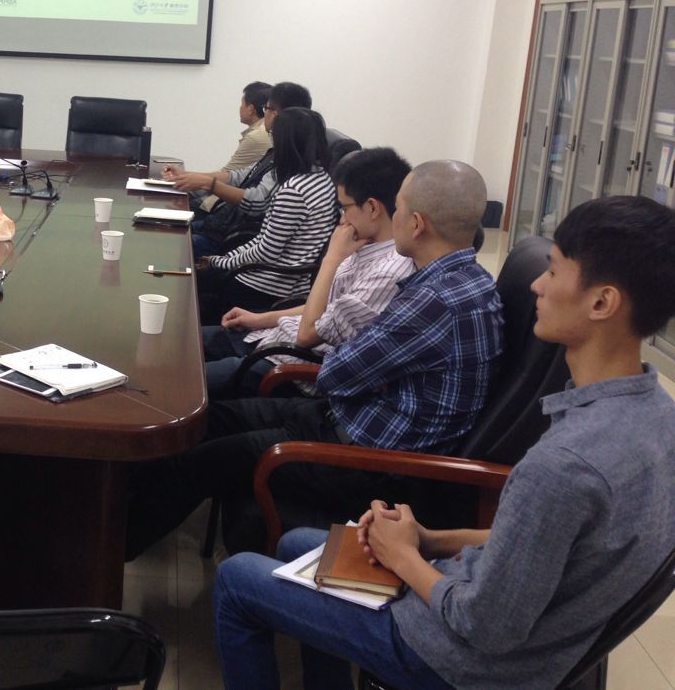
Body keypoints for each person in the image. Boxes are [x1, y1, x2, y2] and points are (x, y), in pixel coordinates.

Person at [213, 195, 675, 690]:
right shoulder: (657, 417)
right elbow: (539, 547)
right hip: (488, 603)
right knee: (298, 544)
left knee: (237, 579)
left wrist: (404, 558)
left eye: (554, 271)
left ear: (602, 302)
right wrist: (428, 539)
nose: (537, 285)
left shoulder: (564, 465)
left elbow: (485, 627)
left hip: (458, 658)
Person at [126, 160, 503, 560]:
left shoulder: (433, 300)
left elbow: (335, 374)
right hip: (344, 419)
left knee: (199, 462)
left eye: (400, 206)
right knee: (207, 419)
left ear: (416, 223)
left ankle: (107, 553)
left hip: (366, 458)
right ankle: (112, 524)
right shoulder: (468, 282)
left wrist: (361, 368)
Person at [204, 147, 414, 397]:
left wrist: (331, 259)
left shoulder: (387, 273)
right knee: (187, 343)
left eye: (344, 208)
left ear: (372, 208)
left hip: (285, 365)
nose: (342, 219)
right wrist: (259, 318)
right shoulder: (362, 244)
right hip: (269, 338)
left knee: (185, 380)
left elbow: (307, 335)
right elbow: (328, 306)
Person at [195, 107, 339, 324]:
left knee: (192, 281)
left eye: (274, 136)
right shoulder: (322, 179)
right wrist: (223, 260)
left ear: (285, 142)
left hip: (269, 283)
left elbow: (267, 251)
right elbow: (265, 241)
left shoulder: (294, 190)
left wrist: (219, 262)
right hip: (287, 278)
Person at [164, 82, 312, 259]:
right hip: (222, 225)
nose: (264, 113)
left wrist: (209, 184)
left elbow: (257, 202)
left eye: (266, 108)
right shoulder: (278, 149)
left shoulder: (291, 159)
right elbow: (238, 175)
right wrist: (190, 176)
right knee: (163, 228)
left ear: (276, 113)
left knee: (164, 242)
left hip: (231, 238)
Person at [196, 81, 274, 213]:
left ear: (250, 109)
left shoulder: (257, 136)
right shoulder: (261, 132)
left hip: (225, 206)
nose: (240, 108)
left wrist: (191, 179)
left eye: (242, 104)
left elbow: (229, 177)